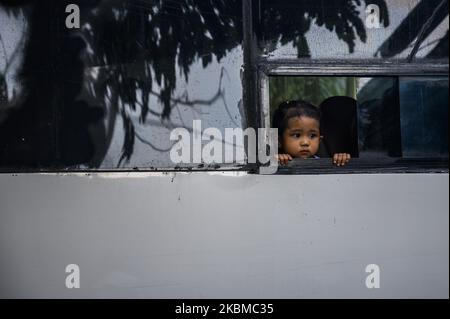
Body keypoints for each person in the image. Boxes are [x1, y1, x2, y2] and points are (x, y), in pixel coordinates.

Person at [272, 100, 351, 166]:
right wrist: (278, 160)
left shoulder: (324, 163)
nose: (305, 143)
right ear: (279, 140)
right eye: (297, 135)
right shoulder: (278, 161)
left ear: (319, 140)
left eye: (312, 135)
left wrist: (340, 159)